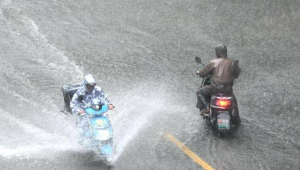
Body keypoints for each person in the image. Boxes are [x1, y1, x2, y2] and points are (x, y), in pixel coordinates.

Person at [196, 44, 241, 125]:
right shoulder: (232, 62)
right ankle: (236, 120)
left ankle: (205, 108)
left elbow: (203, 74)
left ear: (218, 52)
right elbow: (237, 75)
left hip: (214, 89)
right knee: (234, 103)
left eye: (216, 51)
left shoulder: (213, 62)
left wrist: (200, 72)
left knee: (199, 92)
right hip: (228, 90)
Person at [70, 74, 114, 140]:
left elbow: (105, 100)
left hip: (99, 113)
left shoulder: (98, 90)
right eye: (89, 86)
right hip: (85, 115)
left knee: (107, 123)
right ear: (85, 85)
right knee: (83, 129)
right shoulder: (79, 93)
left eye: (93, 86)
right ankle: (84, 141)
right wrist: (78, 111)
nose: (91, 88)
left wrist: (109, 105)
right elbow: (73, 105)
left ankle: (109, 137)